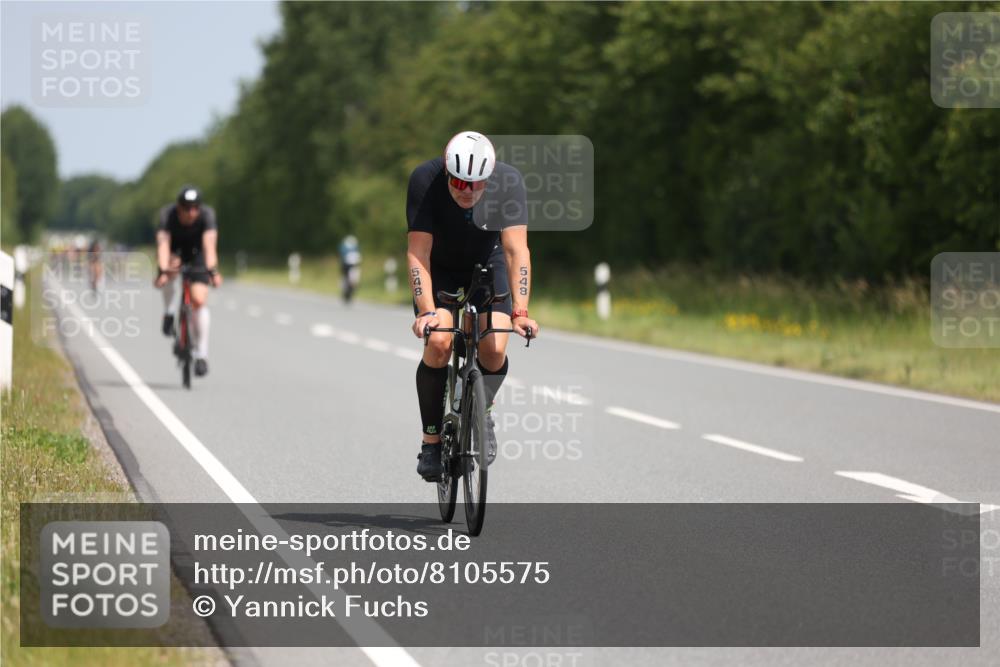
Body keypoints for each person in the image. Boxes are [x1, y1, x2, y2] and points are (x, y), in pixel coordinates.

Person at [407, 131, 539, 481]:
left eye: (476, 185)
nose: (466, 192)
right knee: (438, 343)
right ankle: (431, 442)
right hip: (442, 266)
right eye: (459, 183)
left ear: (489, 177)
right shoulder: (425, 179)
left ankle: (484, 408)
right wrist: (425, 311)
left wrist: (521, 312)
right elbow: (418, 252)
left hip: (488, 260)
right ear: (447, 173)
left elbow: (516, 251)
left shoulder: (509, 181)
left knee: (494, 346)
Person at [154, 186, 222, 377]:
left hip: (197, 254)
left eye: (195, 208)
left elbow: (209, 246)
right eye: (186, 208)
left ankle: (201, 355)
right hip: (175, 251)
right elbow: (163, 245)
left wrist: (213, 272)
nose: (191, 213)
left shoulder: (207, 215)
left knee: (199, 300)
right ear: (178, 207)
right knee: (168, 273)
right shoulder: (167, 215)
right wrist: (162, 271)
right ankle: (168, 313)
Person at [338, 234, 362, 303]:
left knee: (352, 280)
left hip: (352, 267)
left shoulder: (352, 248)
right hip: (347, 267)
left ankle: (349, 292)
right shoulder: (345, 248)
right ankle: (346, 292)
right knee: (345, 279)